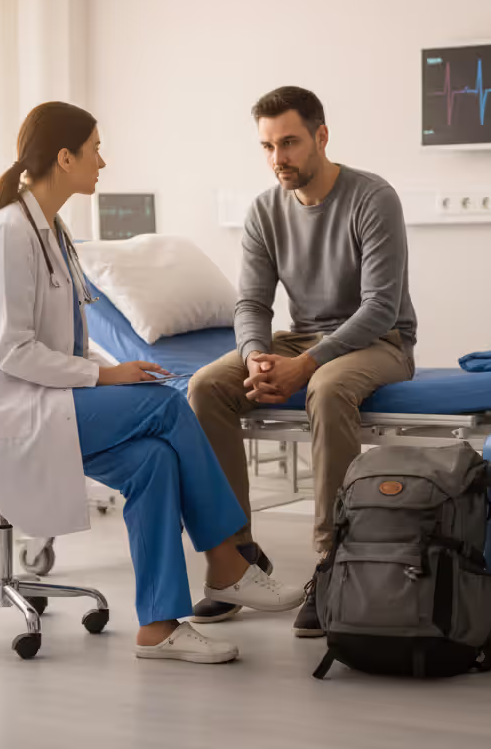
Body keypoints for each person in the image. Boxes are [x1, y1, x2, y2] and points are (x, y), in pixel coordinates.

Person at [0, 102, 303, 664]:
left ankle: (158, 627)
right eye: (94, 149)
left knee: (154, 461)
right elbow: (13, 353)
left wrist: (101, 375)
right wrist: (105, 376)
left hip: (45, 400)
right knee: (164, 405)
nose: (102, 161)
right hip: (1, 411)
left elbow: (62, 343)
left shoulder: (51, 231)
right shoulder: (9, 234)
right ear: (65, 158)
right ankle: (228, 562)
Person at [188, 87, 417, 637]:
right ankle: (236, 556)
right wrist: (256, 357)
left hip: (380, 340)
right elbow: (251, 304)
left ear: (321, 136)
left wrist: (307, 364)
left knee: (328, 388)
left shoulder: (372, 197)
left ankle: (330, 563)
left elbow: (380, 306)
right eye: (267, 146)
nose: (277, 158)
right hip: (302, 337)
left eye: (288, 142)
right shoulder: (265, 209)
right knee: (204, 388)